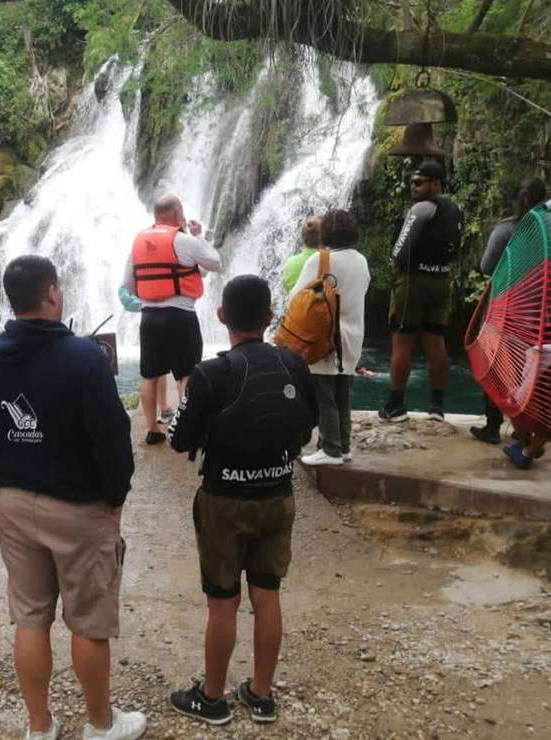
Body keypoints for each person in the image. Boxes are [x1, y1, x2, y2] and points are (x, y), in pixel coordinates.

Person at [0, 256, 143, 740]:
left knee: (30, 617)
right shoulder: (83, 357)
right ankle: (99, 725)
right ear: (52, 293)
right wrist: (116, 496)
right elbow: (112, 437)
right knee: (88, 621)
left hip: (14, 500)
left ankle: (39, 727)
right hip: (77, 506)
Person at [168, 275, 318, 726]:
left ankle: (212, 698)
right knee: (267, 595)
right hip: (277, 494)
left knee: (223, 601)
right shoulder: (294, 366)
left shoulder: (211, 373)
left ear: (221, 316)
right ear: (271, 318)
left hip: (224, 499)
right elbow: (307, 426)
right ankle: (260, 694)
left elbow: (179, 440)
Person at [123, 194, 222, 445]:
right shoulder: (183, 240)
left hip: (149, 317)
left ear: (156, 215)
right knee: (186, 373)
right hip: (181, 315)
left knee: (149, 374)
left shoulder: (138, 242)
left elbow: (129, 283)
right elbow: (215, 262)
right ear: (178, 215)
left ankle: (153, 429)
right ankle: (186, 427)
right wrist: (198, 235)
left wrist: (149, 297)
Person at [380, 160, 464, 423]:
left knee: (402, 341)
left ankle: (395, 406)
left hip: (414, 281)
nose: (413, 188)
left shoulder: (422, 209)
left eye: (419, 183)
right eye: (412, 183)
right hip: (442, 280)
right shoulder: (455, 211)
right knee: (435, 341)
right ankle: (437, 408)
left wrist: (394, 261)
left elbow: (402, 246)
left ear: (436, 184)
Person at [470, 178, 548, 445]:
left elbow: (487, 265)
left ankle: (492, 426)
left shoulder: (506, 230)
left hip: (507, 309)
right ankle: (524, 428)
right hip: (544, 311)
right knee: (532, 369)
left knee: (496, 366)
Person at [293, 210, 371, 466]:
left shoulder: (320, 259)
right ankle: (344, 446)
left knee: (324, 394)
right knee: (342, 394)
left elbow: (297, 297)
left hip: (325, 337)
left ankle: (331, 449)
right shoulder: (361, 260)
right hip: (352, 336)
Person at [119, 284, 175, 424]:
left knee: (153, 371)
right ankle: (163, 410)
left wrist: (145, 303)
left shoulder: (135, 265)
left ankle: (154, 422)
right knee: (156, 370)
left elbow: (124, 295)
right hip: (157, 315)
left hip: (147, 317)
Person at [279, 215, 323, 293]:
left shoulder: (290, 262)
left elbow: (285, 289)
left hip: (294, 304)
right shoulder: (326, 261)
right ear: (325, 238)